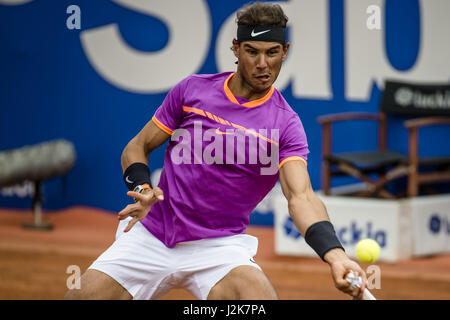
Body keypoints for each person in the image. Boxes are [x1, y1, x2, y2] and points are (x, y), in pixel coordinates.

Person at [65, 2, 367, 300]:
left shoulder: (286, 125)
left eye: (272, 52)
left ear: (285, 51)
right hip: (152, 234)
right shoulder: (192, 91)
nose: (263, 63)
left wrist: (336, 255)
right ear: (235, 48)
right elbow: (137, 147)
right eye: (252, 51)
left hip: (219, 248)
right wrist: (143, 187)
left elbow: (301, 198)